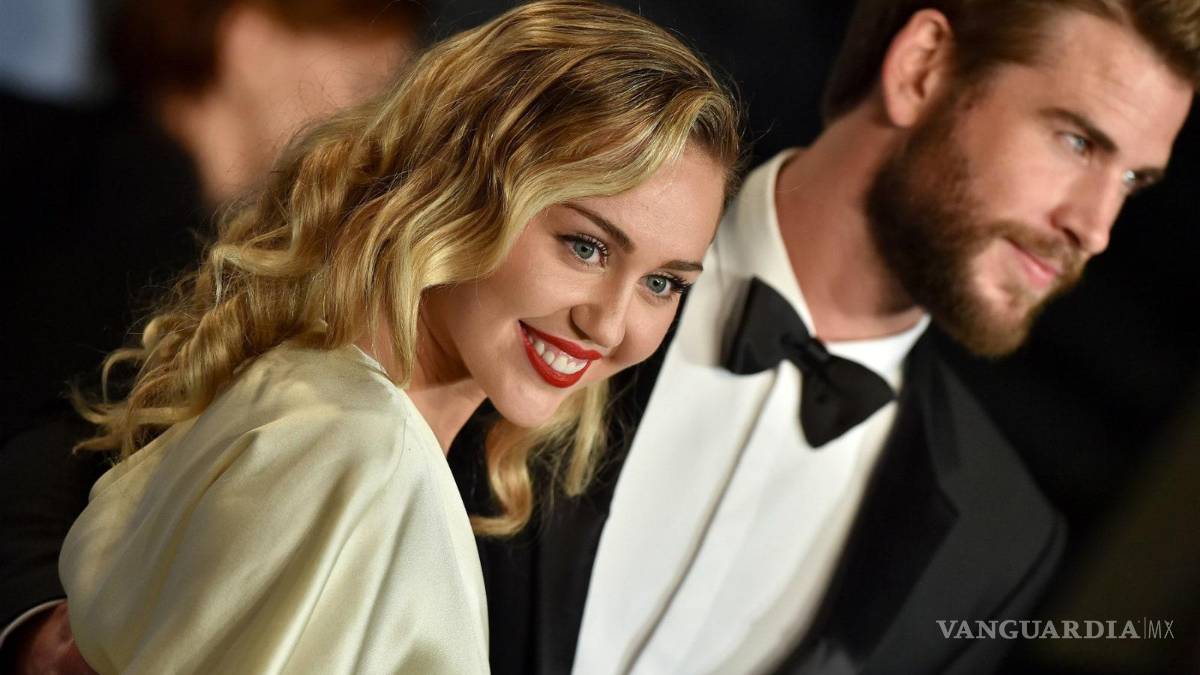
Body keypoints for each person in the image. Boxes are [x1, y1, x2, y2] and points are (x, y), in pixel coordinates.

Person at [456, 1, 1198, 673]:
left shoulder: (1000, 546)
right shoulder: (546, 243)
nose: (1095, 227)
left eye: (1132, 180)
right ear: (922, 67)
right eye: (1077, 141)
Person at [52, 1, 741, 673]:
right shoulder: (364, 453)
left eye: (662, 283)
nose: (610, 324)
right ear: (462, 189)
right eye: (586, 247)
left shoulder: (318, 400)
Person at [0, 0, 420, 437]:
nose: (373, 129)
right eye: (362, 83)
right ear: (251, 44)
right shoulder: (139, 234)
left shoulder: (66, 165)